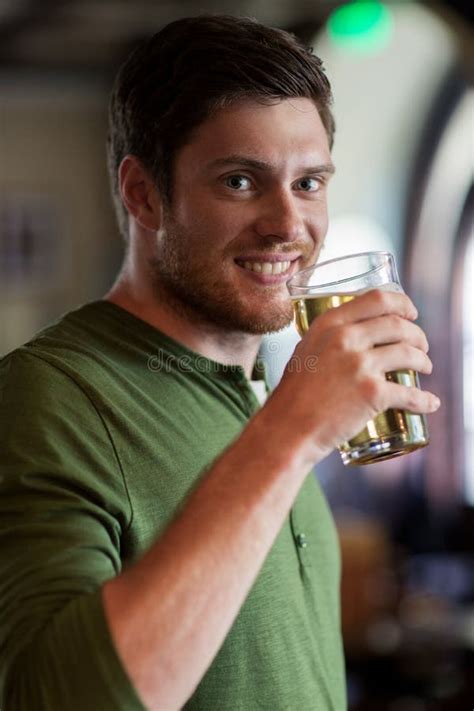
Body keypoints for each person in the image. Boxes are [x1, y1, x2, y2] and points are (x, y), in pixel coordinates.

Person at [0, 14, 440, 711]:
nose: (289, 225)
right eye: (240, 181)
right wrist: (294, 432)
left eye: (309, 183)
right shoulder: (51, 392)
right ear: (143, 193)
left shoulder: (258, 398)